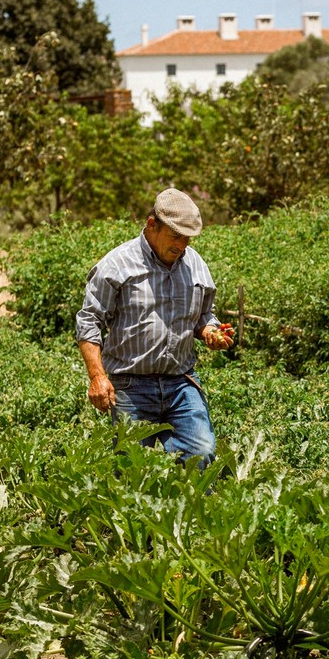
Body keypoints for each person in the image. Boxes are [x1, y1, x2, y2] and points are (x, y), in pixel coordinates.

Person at [76, 188, 233, 469]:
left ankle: (188, 512)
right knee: (130, 468)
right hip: (130, 385)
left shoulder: (195, 264)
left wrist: (210, 331)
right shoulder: (117, 265)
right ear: (152, 225)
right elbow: (90, 321)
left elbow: (204, 315)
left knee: (202, 453)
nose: (182, 245)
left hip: (181, 382)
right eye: (175, 236)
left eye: (188, 238)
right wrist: (97, 377)